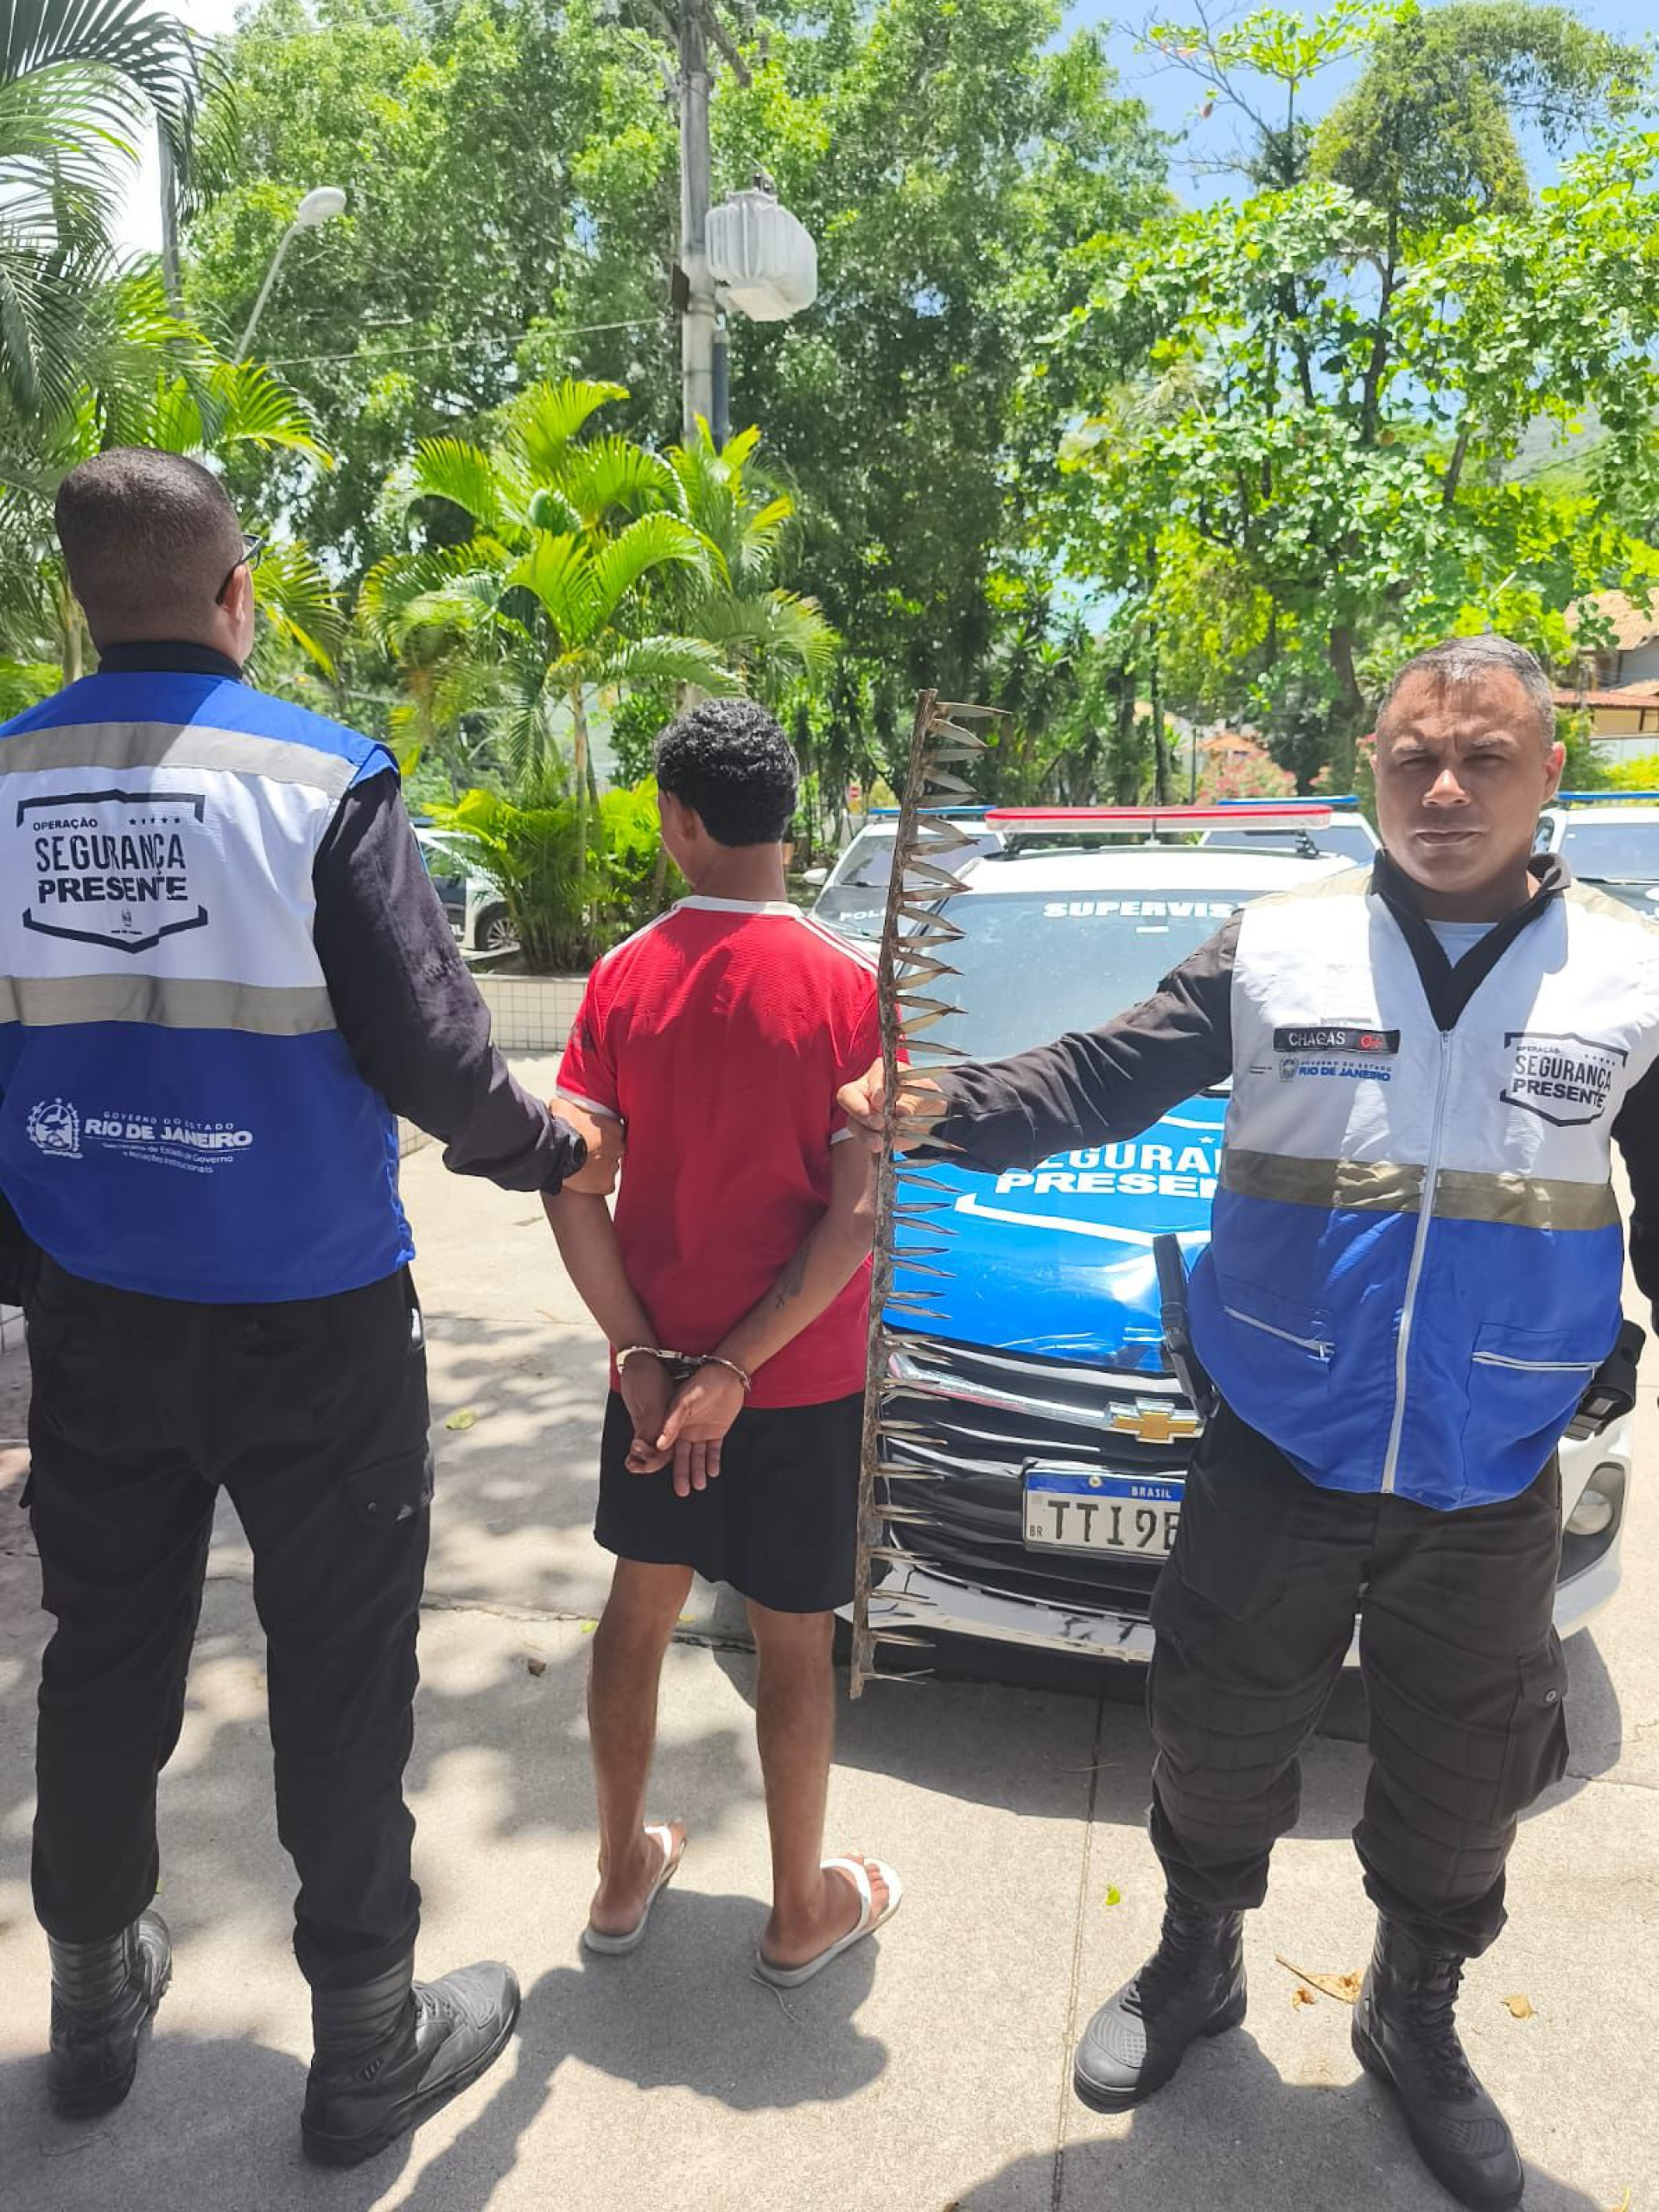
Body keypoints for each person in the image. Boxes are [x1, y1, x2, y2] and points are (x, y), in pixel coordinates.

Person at [839, 635, 1659, 2212]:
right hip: (1276, 1446)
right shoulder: (1277, 947)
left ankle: (1412, 2015)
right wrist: (949, 1107)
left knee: (1465, 1779)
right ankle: (1197, 1963)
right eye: (1413, 753)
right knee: (1213, 1740)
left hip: (1487, 1478)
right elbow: (1109, 1072)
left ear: (1551, 773)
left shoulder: (1629, 976)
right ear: (1367, 766)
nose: (1443, 786)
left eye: (1484, 757)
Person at [1, 449, 615, 2164]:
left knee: (104, 1655)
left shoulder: (5, 783)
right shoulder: (316, 776)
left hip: (100, 1315)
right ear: (234, 592)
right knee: (341, 1671)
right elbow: (435, 1051)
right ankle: (364, 2041)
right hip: (317, 1319)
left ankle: (92, 2003)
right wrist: (552, 1142)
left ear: (80, 601)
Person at [548, 697, 901, 1985]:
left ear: (679, 822)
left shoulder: (621, 978)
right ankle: (800, 1910)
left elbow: (571, 1182)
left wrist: (649, 1361)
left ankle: (618, 1877)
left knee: (635, 1622)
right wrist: (740, 1371)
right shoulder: (852, 985)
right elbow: (857, 1217)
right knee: (795, 1638)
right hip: (797, 1383)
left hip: (655, 1389)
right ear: (787, 822)